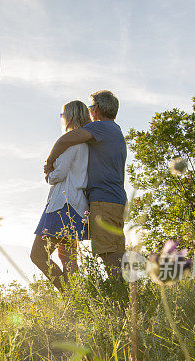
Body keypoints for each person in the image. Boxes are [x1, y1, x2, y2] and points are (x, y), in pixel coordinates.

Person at [43, 90, 127, 280]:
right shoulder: (116, 130)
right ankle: (126, 296)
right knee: (116, 252)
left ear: (97, 108)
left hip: (103, 199)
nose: (89, 112)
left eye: (90, 107)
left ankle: (119, 297)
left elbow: (65, 139)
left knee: (107, 252)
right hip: (116, 199)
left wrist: (49, 163)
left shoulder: (101, 128)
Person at [30, 100, 91, 292]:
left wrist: (49, 172)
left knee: (38, 255)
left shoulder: (73, 141)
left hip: (63, 204)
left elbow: (59, 173)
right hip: (76, 205)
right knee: (68, 258)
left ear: (71, 116)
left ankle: (67, 294)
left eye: (63, 115)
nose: (62, 118)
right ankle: (76, 302)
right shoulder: (86, 143)